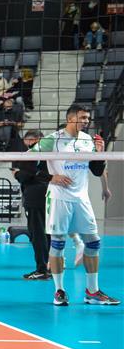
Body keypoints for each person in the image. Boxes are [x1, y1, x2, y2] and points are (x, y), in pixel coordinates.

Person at [32, 104, 118, 306]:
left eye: (88, 118)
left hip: (81, 198)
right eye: (83, 117)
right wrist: (51, 177)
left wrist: (100, 153)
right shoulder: (53, 139)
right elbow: (24, 162)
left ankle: (92, 291)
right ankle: (59, 291)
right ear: (70, 118)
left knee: (93, 242)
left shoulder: (88, 140)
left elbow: (96, 171)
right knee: (58, 243)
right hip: (59, 197)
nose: (86, 121)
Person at [12, 129, 51, 280]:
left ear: (32, 139)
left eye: (26, 140)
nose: (24, 143)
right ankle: (50, 267)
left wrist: (16, 173)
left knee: (38, 234)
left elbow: (26, 176)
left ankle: (42, 269)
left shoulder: (32, 153)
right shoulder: (52, 153)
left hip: (35, 197)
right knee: (48, 233)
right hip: (51, 195)